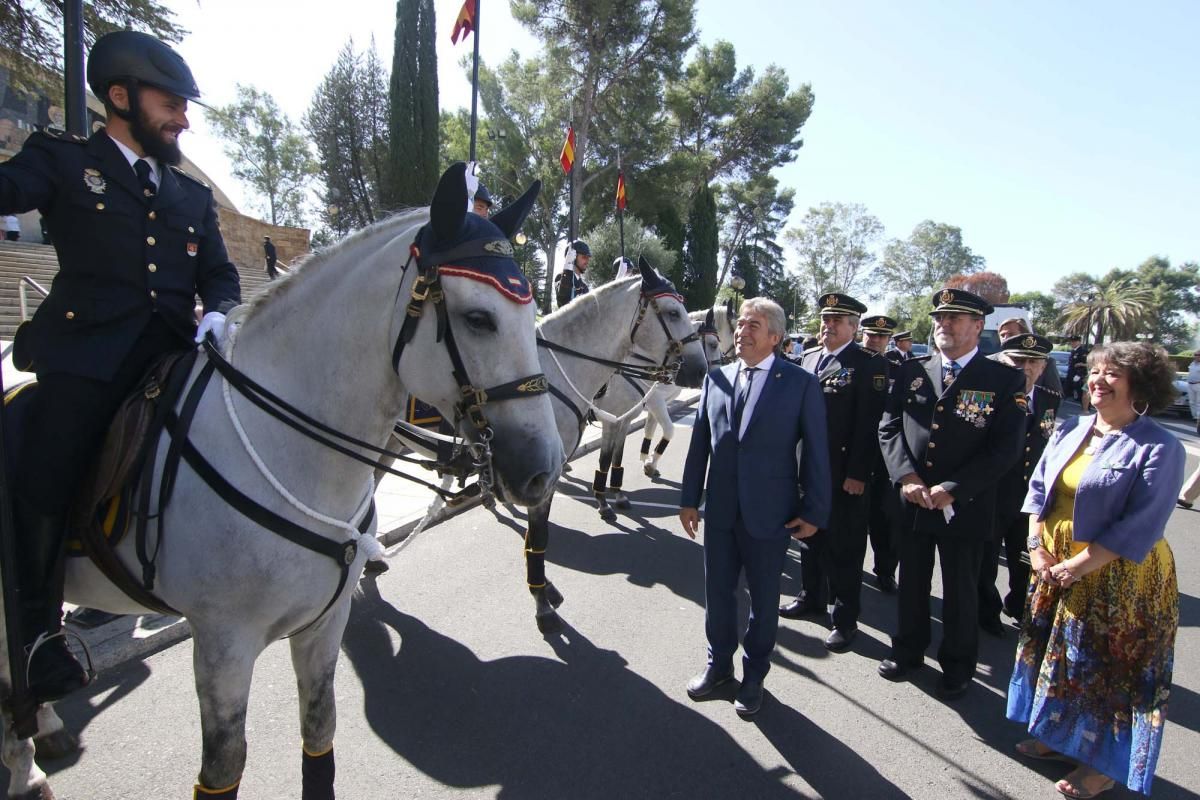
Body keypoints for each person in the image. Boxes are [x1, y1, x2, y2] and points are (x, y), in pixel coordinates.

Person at [0, 30, 240, 703]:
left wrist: (220, 310)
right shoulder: (64, 162)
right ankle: (37, 640)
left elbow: (220, 275)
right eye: (171, 104)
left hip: (173, 353)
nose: (183, 118)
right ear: (119, 96)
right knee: (42, 477)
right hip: (87, 359)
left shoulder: (192, 196)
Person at [1008, 341, 1184, 798]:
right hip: (1056, 567)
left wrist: (1080, 565)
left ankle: (1102, 765)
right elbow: (1039, 489)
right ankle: (1059, 736)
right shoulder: (1072, 427)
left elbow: (1142, 522)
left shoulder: (1160, 446)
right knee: (1064, 660)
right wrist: (1037, 547)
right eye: (1094, 371)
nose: (1097, 380)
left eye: (1112, 374)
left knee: (1109, 673)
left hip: (1119, 578)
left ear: (1139, 385)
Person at [679, 297, 830, 716]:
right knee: (718, 594)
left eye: (754, 325)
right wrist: (690, 498)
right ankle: (719, 667)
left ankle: (755, 675)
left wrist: (815, 510)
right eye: (741, 324)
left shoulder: (800, 384)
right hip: (722, 511)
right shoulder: (718, 378)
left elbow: (816, 452)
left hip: (771, 513)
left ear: (776, 337)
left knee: (764, 602)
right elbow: (699, 446)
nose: (742, 331)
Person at [876, 288, 1025, 700]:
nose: (943, 325)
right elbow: (889, 426)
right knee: (912, 582)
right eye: (939, 318)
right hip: (914, 500)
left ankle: (958, 666)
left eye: (955, 318)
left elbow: (1006, 448)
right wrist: (906, 476)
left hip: (966, 505)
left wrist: (953, 489)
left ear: (978, 326)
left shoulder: (1003, 378)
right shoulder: (912, 369)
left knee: (960, 591)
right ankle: (907, 652)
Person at [779, 294, 887, 651]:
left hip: (843, 474)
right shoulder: (809, 358)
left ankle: (845, 619)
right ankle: (810, 597)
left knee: (845, 548)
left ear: (855, 327)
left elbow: (870, 425)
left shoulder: (868, 363)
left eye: (838, 320)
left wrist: (858, 472)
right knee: (808, 539)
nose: (828, 325)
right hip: (806, 469)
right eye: (826, 318)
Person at [978, 333, 1060, 635]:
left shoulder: (1050, 397)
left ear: (1043, 366)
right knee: (985, 559)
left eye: (1033, 362)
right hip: (991, 492)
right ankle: (986, 611)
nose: (1025, 368)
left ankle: (1018, 605)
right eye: (1017, 360)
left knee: (1025, 558)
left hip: (1029, 497)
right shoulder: (987, 395)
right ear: (1002, 361)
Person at [994, 316, 1063, 396]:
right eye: (1002, 335)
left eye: (1010, 334)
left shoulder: (1046, 362)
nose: (1005, 338)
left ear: (1025, 336)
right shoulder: (990, 360)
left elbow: (1054, 396)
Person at [554, 239, 590, 309]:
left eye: (588, 258)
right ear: (573, 257)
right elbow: (563, 299)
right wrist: (568, 267)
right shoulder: (561, 277)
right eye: (584, 257)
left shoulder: (584, 287)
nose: (587, 261)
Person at [1186, 351, 1200, 420]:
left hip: (1198, 385)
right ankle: (1194, 417)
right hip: (1190, 384)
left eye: (1198, 355)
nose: (1196, 356)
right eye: (1195, 355)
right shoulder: (1192, 363)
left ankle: (1198, 417)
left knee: (1198, 402)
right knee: (1191, 402)